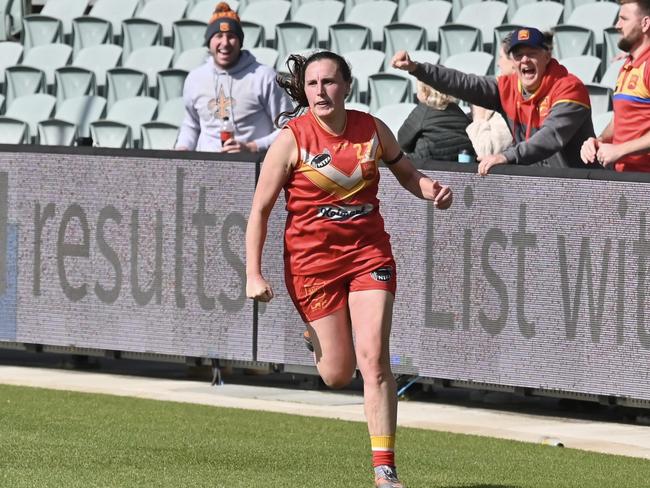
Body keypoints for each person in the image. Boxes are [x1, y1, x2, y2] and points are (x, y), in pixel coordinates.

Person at [245, 51, 452, 488]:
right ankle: (318, 337)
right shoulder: (291, 139)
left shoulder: (372, 129)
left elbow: (407, 174)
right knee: (337, 374)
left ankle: (385, 470)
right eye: (313, 83)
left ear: (347, 86)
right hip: (312, 266)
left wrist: (430, 188)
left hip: (368, 255)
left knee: (374, 358)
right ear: (304, 89)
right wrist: (253, 273)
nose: (321, 91)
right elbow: (260, 210)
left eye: (330, 82)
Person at [391, 27, 596, 175]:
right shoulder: (508, 87)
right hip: (538, 186)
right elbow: (464, 84)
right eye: (518, 55)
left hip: (578, 186)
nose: (524, 60)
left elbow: (550, 136)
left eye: (531, 53)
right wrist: (417, 69)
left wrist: (507, 156)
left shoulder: (568, 88)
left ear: (546, 56)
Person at [175, 2, 293, 153]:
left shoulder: (264, 77)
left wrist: (252, 147)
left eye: (231, 36)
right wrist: (183, 148)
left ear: (240, 42)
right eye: (218, 36)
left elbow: (289, 128)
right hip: (206, 170)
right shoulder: (195, 78)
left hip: (253, 168)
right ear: (209, 42)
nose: (225, 43)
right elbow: (192, 125)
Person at [580, 0, 650, 172]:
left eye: (624, 19)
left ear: (645, 24)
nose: (617, 26)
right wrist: (600, 140)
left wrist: (620, 150)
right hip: (624, 178)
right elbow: (618, 119)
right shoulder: (627, 66)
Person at [397, 80, 475, 163]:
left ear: (424, 92)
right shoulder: (459, 112)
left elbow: (403, 141)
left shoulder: (424, 110)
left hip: (425, 163)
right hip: (457, 164)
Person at [466, 33, 516, 158]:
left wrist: (479, 116)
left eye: (501, 57)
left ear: (514, 61)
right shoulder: (505, 93)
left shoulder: (514, 102)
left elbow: (486, 150)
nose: (498, 63)